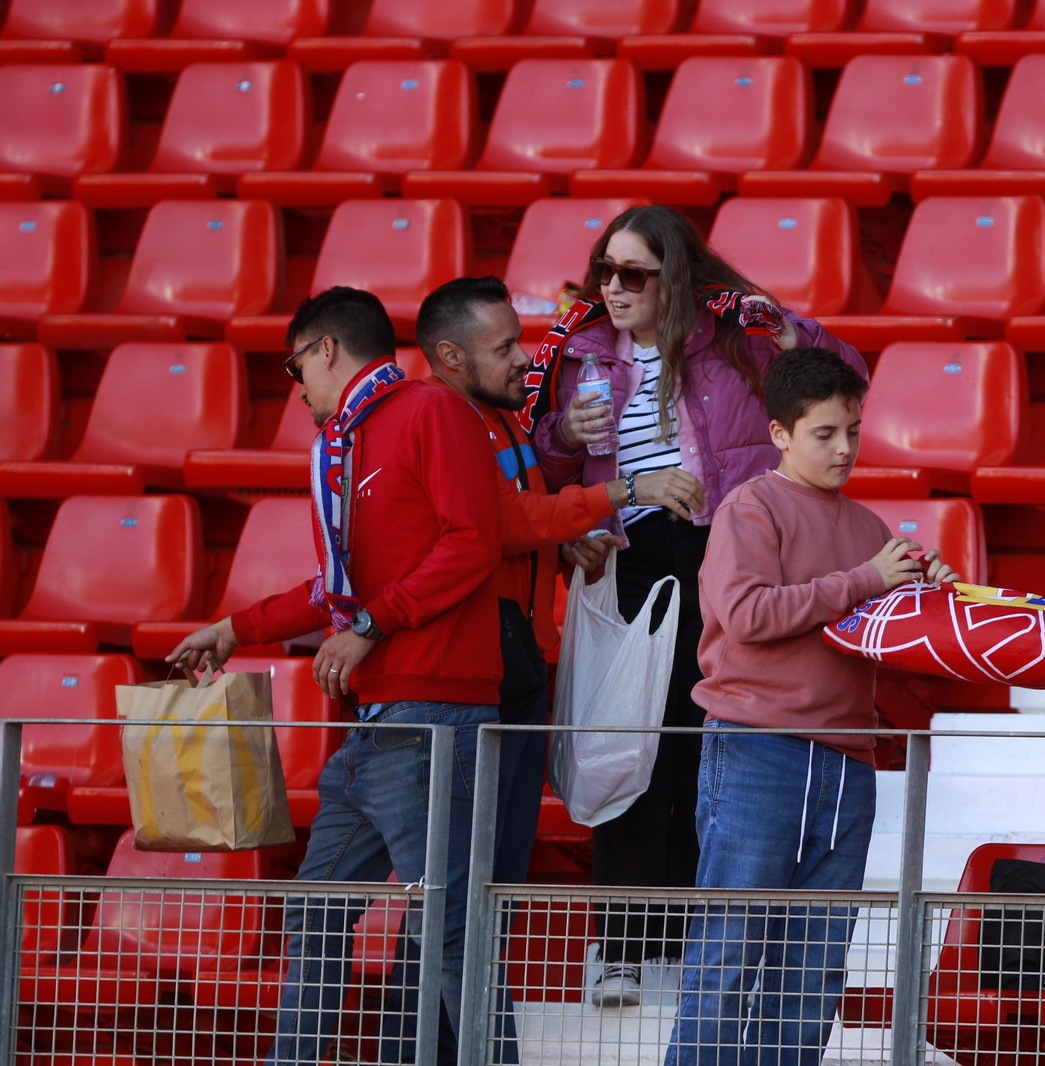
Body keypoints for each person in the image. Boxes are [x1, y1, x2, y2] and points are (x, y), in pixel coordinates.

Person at [531, 205, 869, 1005]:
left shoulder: (735, 336)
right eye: (604, 271)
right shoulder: (579, 350)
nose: (613, 289)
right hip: (630, 560)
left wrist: (789, 331)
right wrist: (565, 436)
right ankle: (620, 947)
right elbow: (546, 468)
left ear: (675, 277)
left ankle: (692, 946)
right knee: (629, 749)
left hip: (725, 552)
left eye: (633, 274)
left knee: (706, 750)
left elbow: (843, 379)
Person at [167, 287, 504, 1066]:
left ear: (326, 350)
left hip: (430, 713)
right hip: (384, 721)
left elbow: (472, 543)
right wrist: (234, 628)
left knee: (450, 928)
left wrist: (371, 625)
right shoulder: (350, 440)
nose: (296, 388)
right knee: (319, 909)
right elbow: (337, 587)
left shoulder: (429, 411)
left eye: (295, 368)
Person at [386, 275, 711, 1061]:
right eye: (505, 347)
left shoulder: (498, 417)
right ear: (451, 355)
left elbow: (524, 523)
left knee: (478, 887)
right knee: (453, 888)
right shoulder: (439, 420)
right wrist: (622, 491)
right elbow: (495, 524)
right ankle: (428, 1048)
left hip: (518, 666)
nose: (526, 360)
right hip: (467, 677)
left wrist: (569, 543)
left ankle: (447, 1045)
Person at [665, 349, 960, 1066]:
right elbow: (747, 615)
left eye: (852, 431)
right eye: (825, 434)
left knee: (813, 966)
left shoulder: (869, 527)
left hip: (846, 758)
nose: (843, 449)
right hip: (756, 748)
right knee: (728, 953)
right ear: (781, 433)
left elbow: (902, 643)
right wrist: (865, 579)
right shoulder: (751, 507)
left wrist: (938, 596)